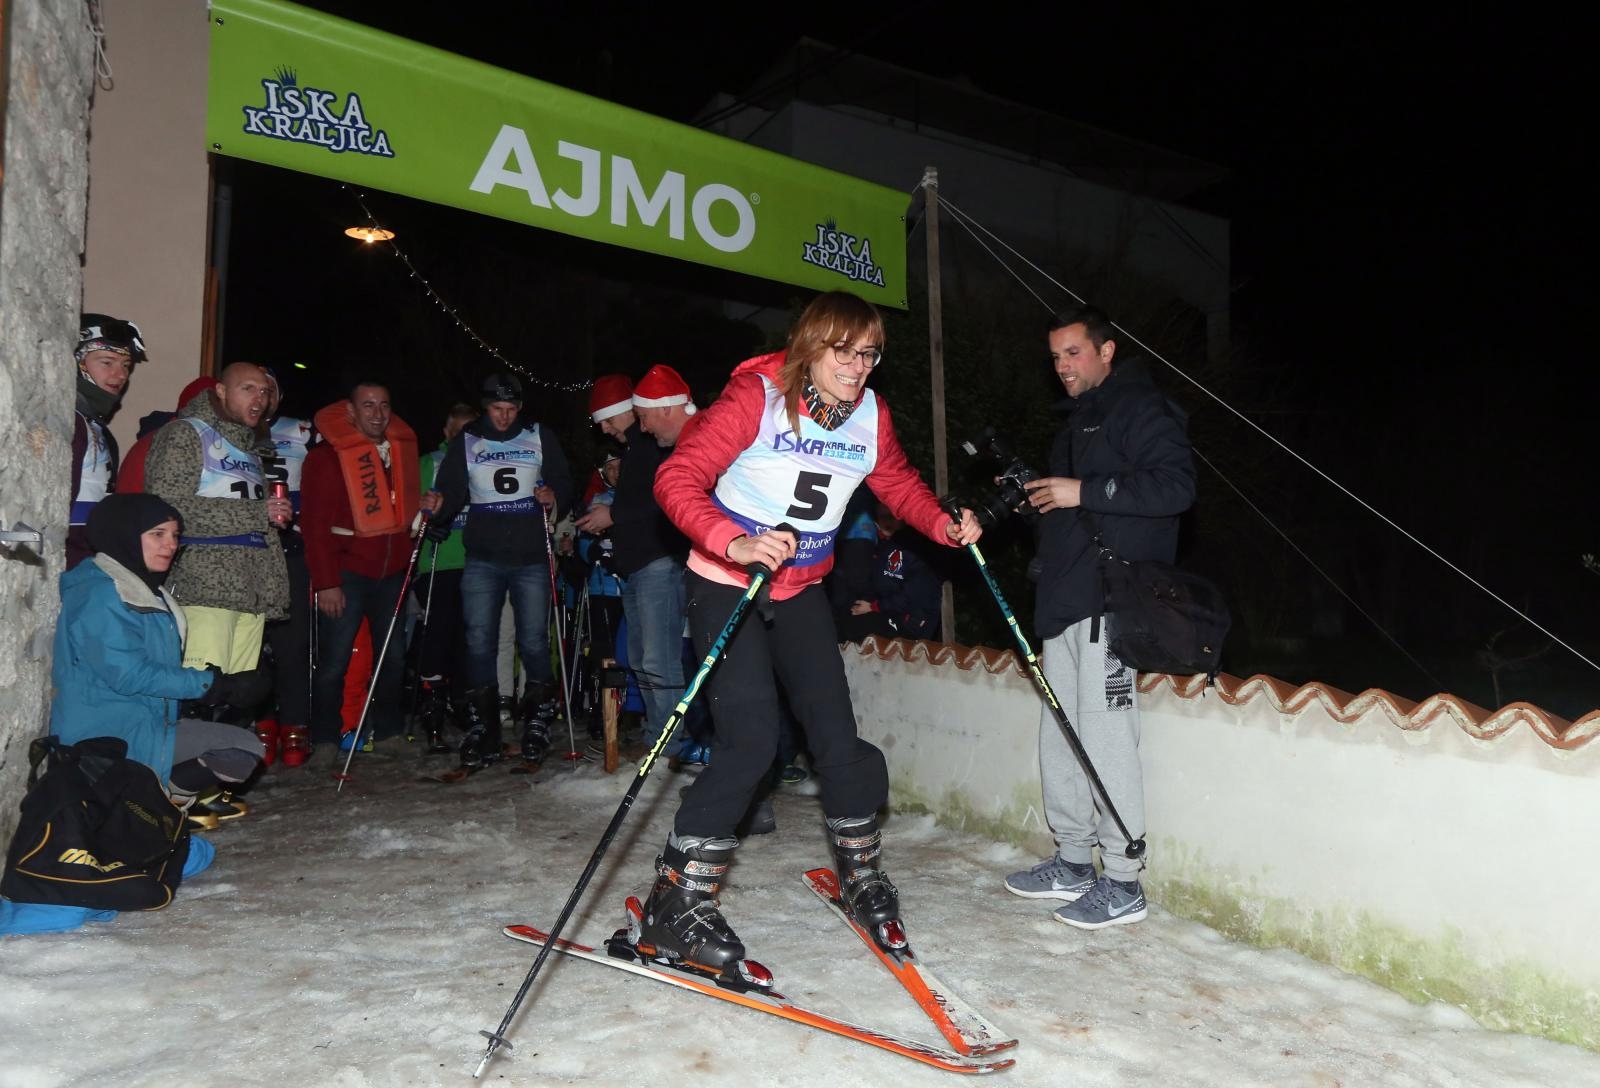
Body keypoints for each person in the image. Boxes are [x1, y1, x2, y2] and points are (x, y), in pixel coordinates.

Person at [638, 290, 982, 973]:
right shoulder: (754, 398)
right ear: (810, 346)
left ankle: (861, 878)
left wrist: (940, 522)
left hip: (801, 590)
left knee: (837, 739)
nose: (857, 367)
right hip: (727, 581)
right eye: (843, 351)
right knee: (751, 742)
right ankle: (673, 905)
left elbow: (896, 482)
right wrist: (731, 540)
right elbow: (677, 477)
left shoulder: (870, 415)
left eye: (870, 354)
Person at [1004, 305, 1195, 930]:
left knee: (1106, 736)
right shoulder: (1078, 422)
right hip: (1063, 601)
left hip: (1111, 603)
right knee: (1059, 733)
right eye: (1055, 356)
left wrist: (1081, 491)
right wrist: (1032, 501)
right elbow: (1072, 508)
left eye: (1074, 353)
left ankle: (1123, 878)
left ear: (1106, 351)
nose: (1062, 366)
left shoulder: (1142, 408)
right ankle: (1074, 859)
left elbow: (1175, 488)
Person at [50, 495, 268, 818]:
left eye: (175, 535)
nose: (170, 545)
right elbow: (128, 674)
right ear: (123, 533)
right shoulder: (100, 593)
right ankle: (151, 808)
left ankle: (161, 805)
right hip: (105, 740)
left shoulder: (149, 589)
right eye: (157, 534)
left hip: (149, 727)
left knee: (244, 748)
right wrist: (214, 685)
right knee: (236, 754)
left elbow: (159, 669)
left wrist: (205, 694)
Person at [426, 372, 572, 768]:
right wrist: (436, 517)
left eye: (510, 409)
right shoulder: (468, 440)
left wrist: (552, 495)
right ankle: (484, 727)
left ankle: (538, 723)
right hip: (484, 557)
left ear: (520, 408)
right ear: (485, 406)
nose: (504, 417)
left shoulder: (539, 434)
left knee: (533, 640)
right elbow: (453, 492)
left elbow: (563, 481)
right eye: (496, 409)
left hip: (530, 558)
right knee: (478, 640)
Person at [299, 380, 426, 753]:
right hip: (346, 574)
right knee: (335, 661)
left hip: (392, 574)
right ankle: (323, 737)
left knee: (392, 659)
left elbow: (403, 517)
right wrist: (326, 582)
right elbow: (314, 526)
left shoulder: (398, 458)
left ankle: (387, 733)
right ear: (350, 411)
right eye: (368, 405)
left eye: (384, 405)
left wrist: (425, 507)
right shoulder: (325, 458)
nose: (377, 413)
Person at [145, 362, 291, 678]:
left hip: (251, 591)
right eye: (248, 388)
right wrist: (257, 513)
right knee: (201, 694)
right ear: (221, 392)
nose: (259, 399)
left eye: (264, 391)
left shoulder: (250, 447)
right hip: (203, 589)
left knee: (238, 697)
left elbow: (257, 519)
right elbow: (167, 508)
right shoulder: (185, 434)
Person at [576, 370, 691, 758]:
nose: (605, 428)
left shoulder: (655, 447)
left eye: (608, 418)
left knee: (660, 657)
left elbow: (664, 498)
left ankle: (671, 742)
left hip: (659, 564)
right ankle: (655, 734)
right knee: (642, 657)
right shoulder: (634, 452)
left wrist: (613, 513)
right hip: (637, 568)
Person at [257, 368, 316, 764]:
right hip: (249, 549)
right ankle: (261, 724)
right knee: (252, 645)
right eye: (256, 390)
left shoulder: (301, 431)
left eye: (271, 390)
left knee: (293, 643)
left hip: (292, 546)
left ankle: (294, 724)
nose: (263, 398)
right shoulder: (232, 432)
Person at [412, 403, 478, 752]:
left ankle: (462, 703)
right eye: (458, 431)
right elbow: (413, 508)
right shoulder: (429, 463)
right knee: (437, 635)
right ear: (447, 433)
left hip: (475, 564)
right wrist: (427, 525)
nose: (464, 439)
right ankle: (432, 709)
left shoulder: (482, 462)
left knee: (467, 640)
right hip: (438, 563)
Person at [68, 314, 145, 569]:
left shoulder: (97, 428)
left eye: (126, 365)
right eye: (107, 362)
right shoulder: (72, 423)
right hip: (70, 564)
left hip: (88, 562)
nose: (120, 374)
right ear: (78, 362)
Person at [834, 500, 944, 643]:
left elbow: (914, 593)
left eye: (892, 517)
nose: (887, 522)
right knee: (837, 622)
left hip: (913, 621)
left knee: (849, 629)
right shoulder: (883, 546)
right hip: (887, 612)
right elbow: (877, 584)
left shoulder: (916, 548)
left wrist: (874, 607)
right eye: (883, 517)